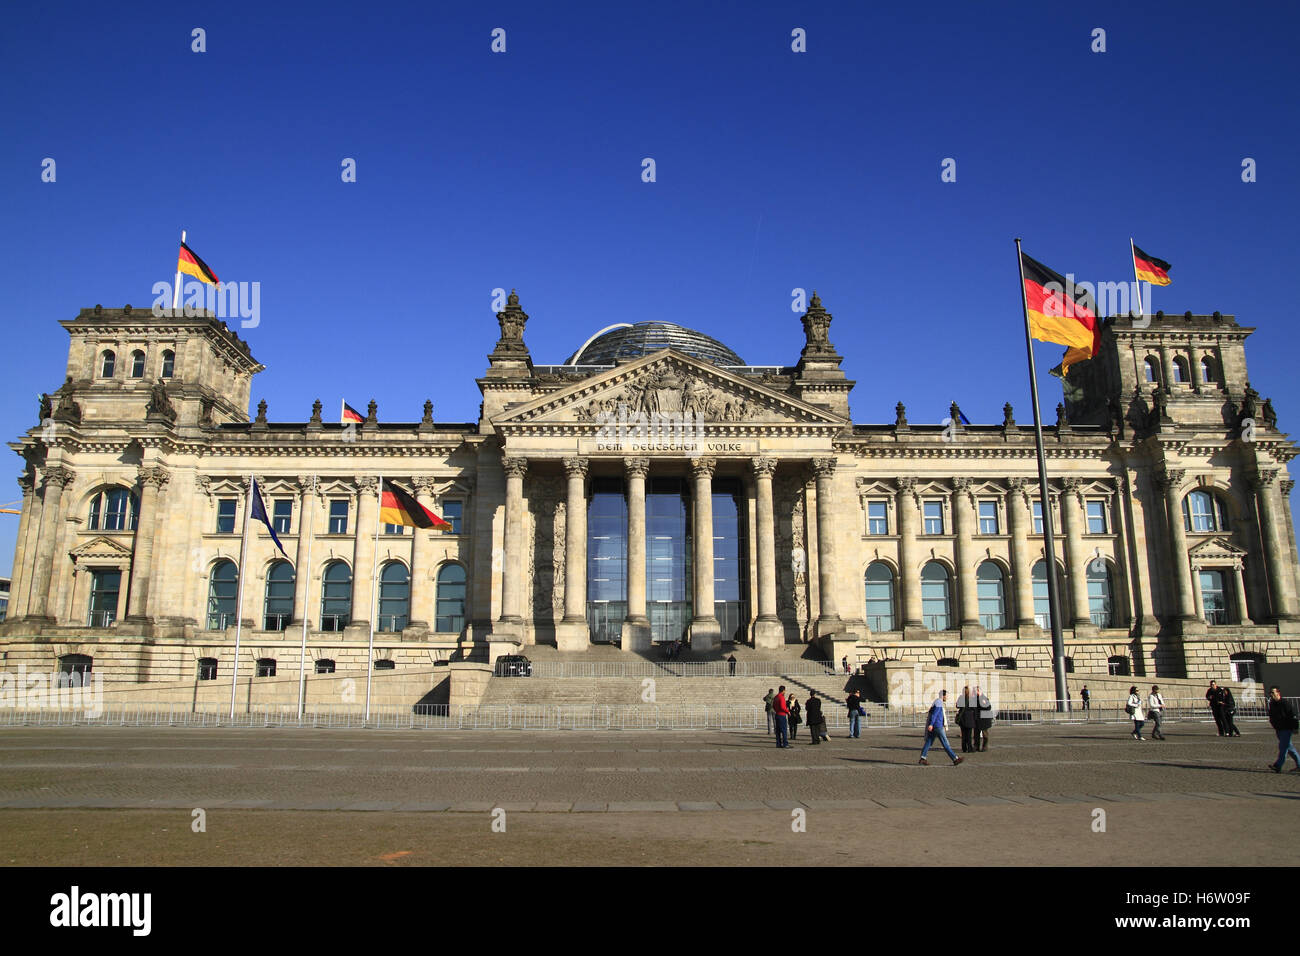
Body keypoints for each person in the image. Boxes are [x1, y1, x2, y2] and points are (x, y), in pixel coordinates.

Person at [919, 689, 963, 766]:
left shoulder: (937, 701)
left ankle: (923, 758)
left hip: (935, 726)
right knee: (945, 743)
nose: (947, 697)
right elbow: (935, 714)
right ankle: (955, 759)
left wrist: (931, 724)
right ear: (943, 696)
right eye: (946, 696)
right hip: (938, 726)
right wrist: (931, 724)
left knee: (929, 742)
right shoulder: (939, 702)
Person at [1266, 686, 1300, 773]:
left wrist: (1295, 727)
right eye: (1270, 693)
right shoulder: (1272, 704)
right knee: (1289, 748)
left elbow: (1293, 715)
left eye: (1273, 693)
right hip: (1279, 729)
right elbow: (1271, 716)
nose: (1271, 694)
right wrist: (1273, 724)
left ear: (1278, 693)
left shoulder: (1285, 703)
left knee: (1283, 747)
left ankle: (1278, 765)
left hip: (1286, 728)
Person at [956, 684, 975, 753]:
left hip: (962, 718)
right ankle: (969, 748)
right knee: (969, 735)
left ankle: (964, 748)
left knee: (963, 734)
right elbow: (973, 708)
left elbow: (957, 706)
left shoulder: (961, 698)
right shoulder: (971, 698)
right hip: (969, 717)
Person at [974, 684, 992, 752]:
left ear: (978, 691)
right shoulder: (974, 698)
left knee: (985, 735)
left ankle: (985, 746)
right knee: (976, 735)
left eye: (974, 691)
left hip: (984, 719)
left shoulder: (984, 698)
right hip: (977, 719)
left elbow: (988, 707)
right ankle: (976, 746)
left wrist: (984, 704)